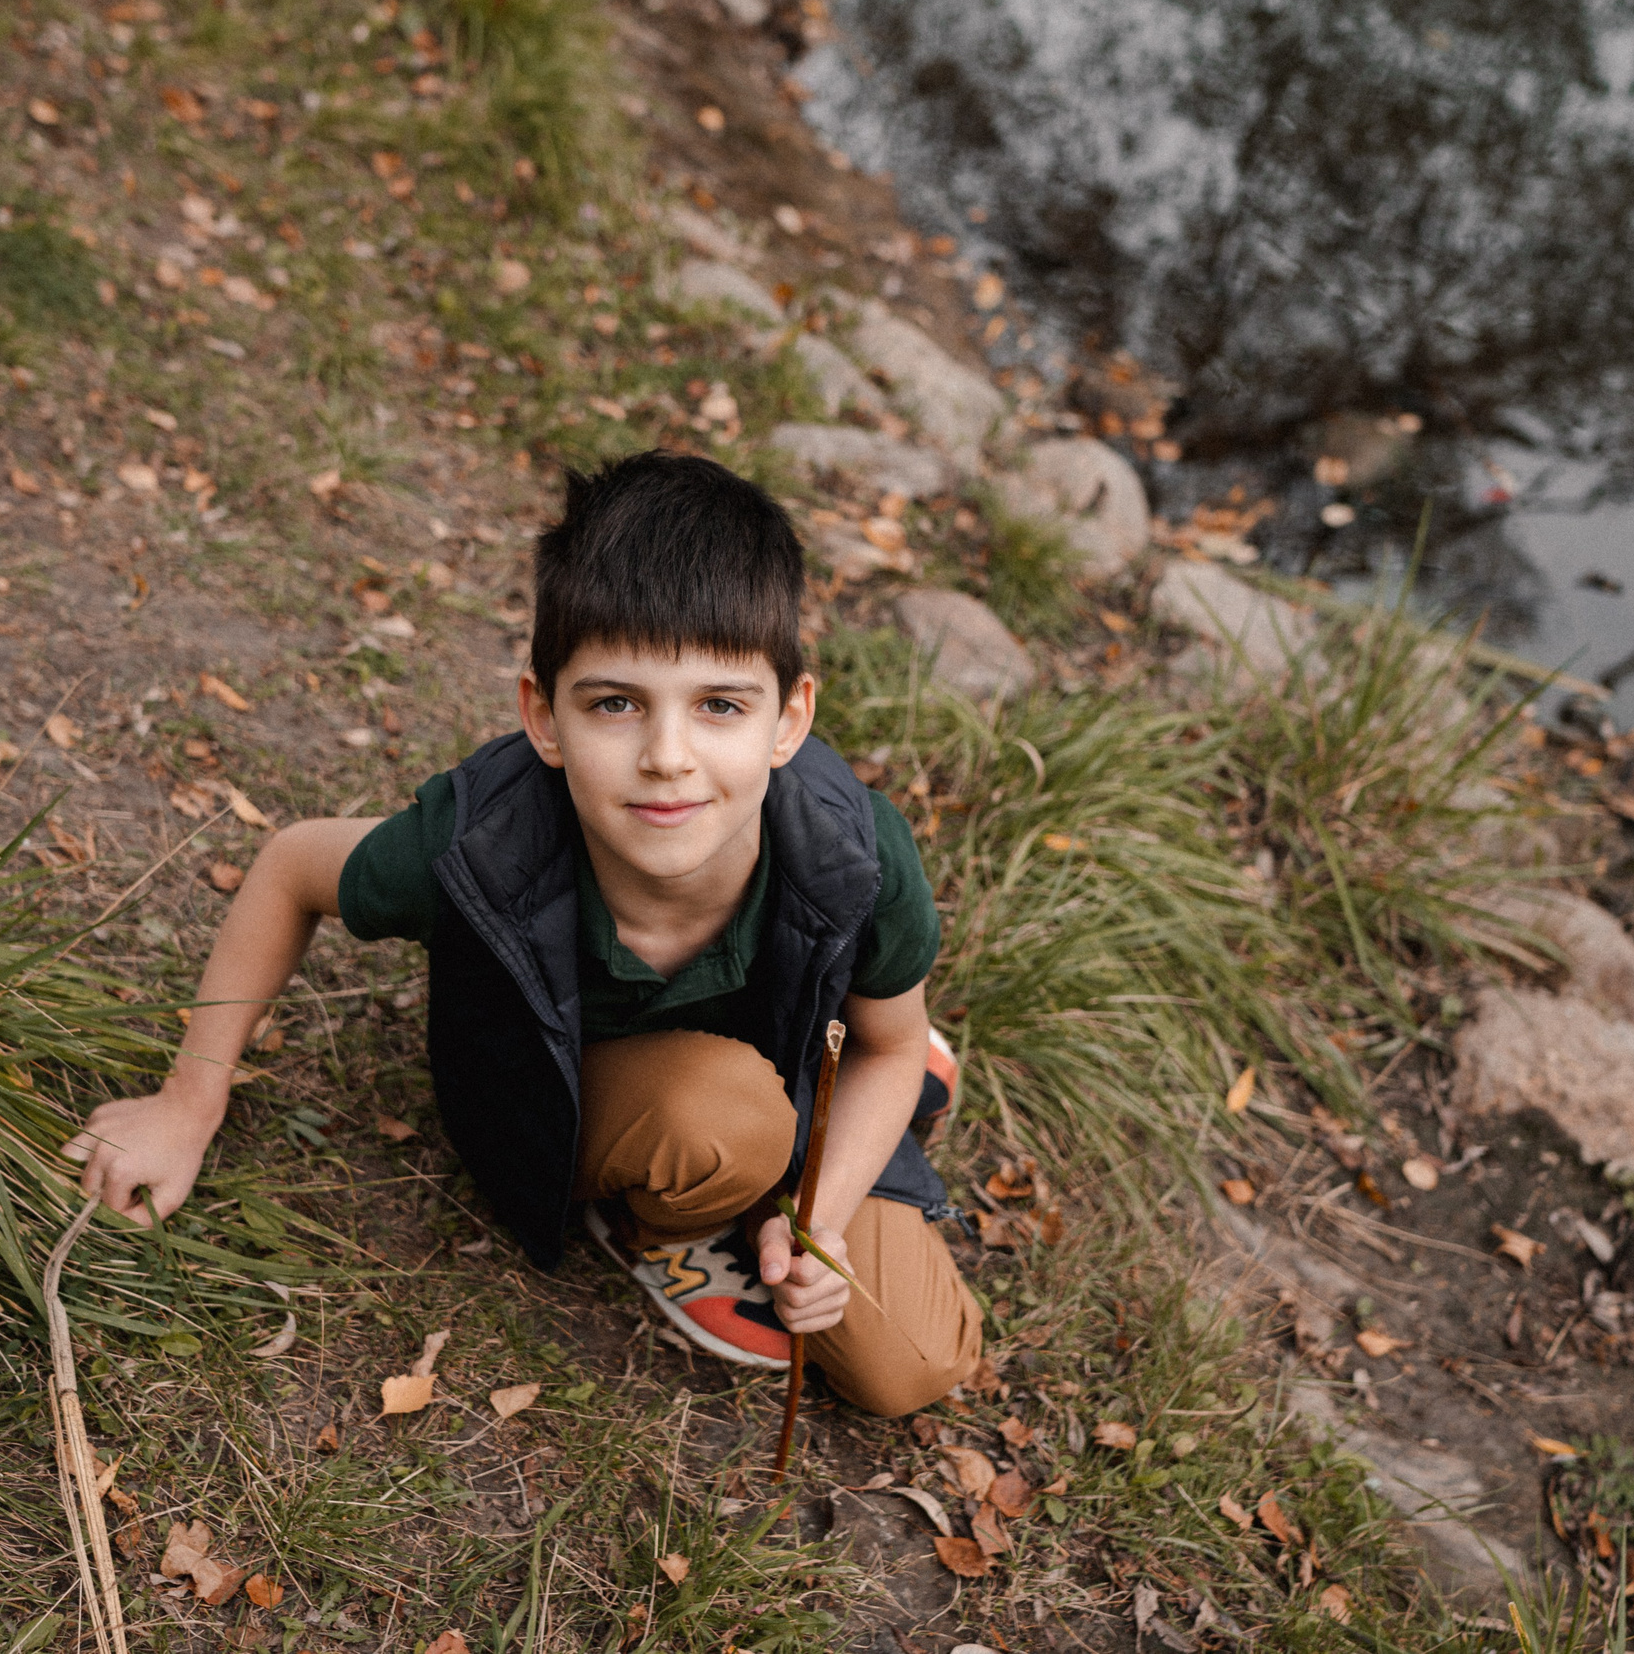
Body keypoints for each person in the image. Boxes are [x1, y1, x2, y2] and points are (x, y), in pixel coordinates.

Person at [64, 451, 981, 1417]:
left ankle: (802, 1137)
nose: (667, 757)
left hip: (796, 1060)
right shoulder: (479, 848)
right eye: (615, 704)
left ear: (788, 718)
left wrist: (820, 1224)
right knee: (726, 1122)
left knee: (911, 1366)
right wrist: (189, 1099)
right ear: (543, 716)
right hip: (586, 1103)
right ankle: (665, 1224)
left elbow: (880, 1049)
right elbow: (293, 868)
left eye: (719, 706)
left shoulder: (857, 853)